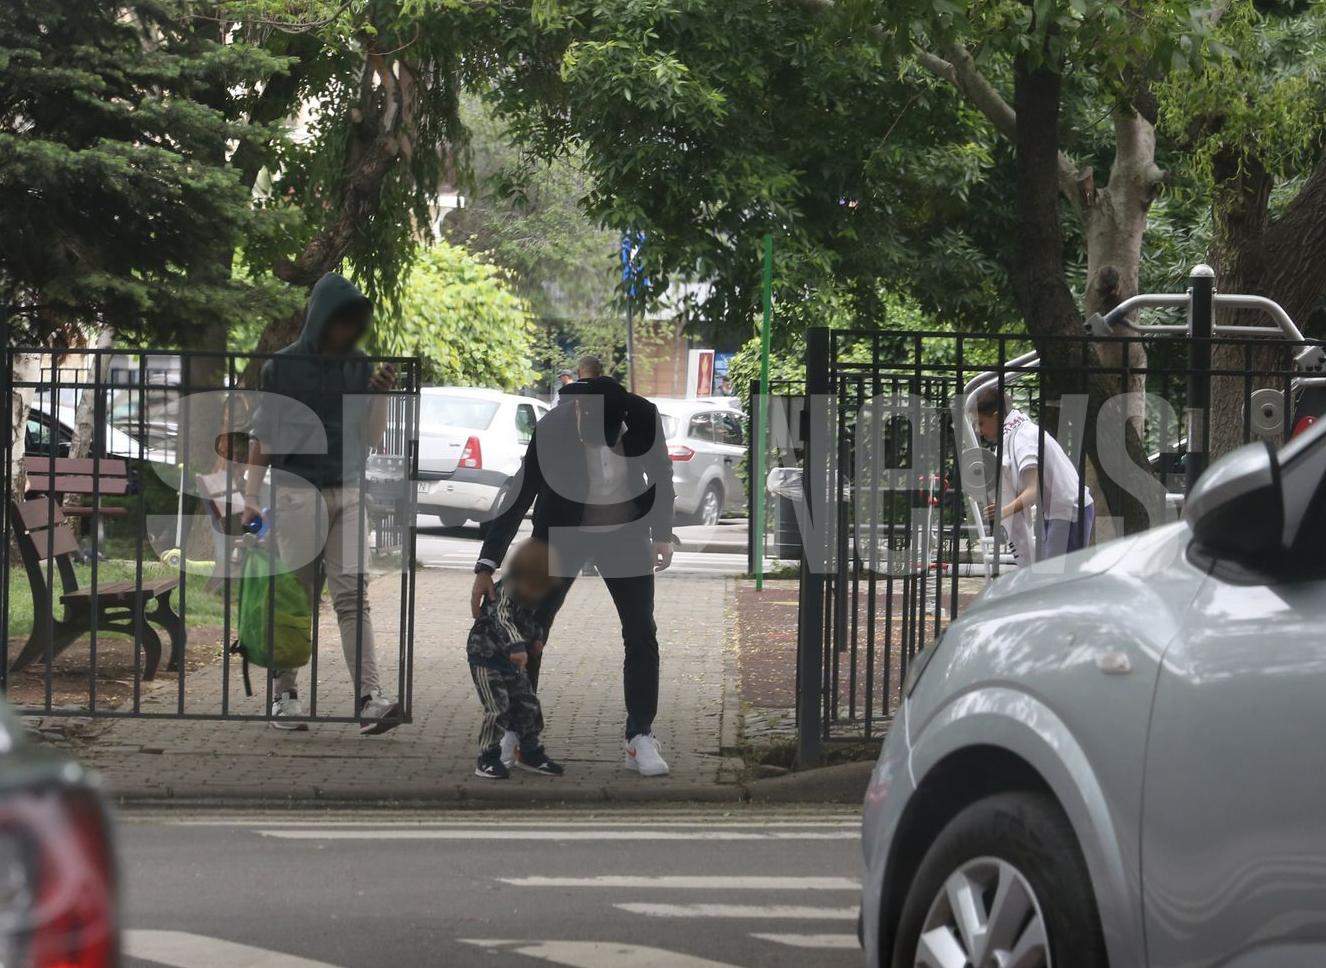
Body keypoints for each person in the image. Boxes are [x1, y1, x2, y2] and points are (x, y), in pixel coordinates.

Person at [470, 374, 676, 776]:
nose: (583, 422)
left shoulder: (644, 419)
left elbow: (662, 476)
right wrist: (486, 564)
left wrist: (662, 535)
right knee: (528, 631)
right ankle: (518, 732)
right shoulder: (553, 427)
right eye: (580, 416)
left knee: (640, 631)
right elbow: (519, 493)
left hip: (624, 533)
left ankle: (640, 736)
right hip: (561, 533)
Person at [243, 272, 403, 735]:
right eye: (340, 320)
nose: (347, 330)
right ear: (321, 318)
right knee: (296, 597)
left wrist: (380, 395)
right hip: (296, 494)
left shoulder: (359, 365)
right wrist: (251, 497)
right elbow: (263, 438)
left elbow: (370, 439)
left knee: (353, 596)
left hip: (349, 492)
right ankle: (284, 696)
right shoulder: (282, 367)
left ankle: (371, 699)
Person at [467, 538, 565, 779]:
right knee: (497, 707)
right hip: (486, 655)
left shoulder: (531, 593)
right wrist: (517, 645)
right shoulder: (506, 590)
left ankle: (530, 751)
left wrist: (536, 637)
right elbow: (503, 618)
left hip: (511, 660)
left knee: (527, 703)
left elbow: (529, 620)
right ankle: (487, 757)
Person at [974, 386, 1094, 562]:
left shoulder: (1023, 438)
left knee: (1055, 582)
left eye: (981, 423)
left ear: (997, 416)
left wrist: (1003, 511)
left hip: (1069, 510)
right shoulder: (1017, 433)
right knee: (1055, 580)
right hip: (1061, 511)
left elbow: (1033, 491)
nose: (979, 430)